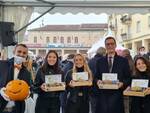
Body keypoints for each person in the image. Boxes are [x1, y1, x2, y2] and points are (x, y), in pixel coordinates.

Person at [95, 36, 131, 113]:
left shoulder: (123, 61)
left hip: (117, 96)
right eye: (108, 44)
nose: (110, 46)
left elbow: (128, 77)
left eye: (112, 44)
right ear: (105, 46)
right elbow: (96, 77)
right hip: (103, 97)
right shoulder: (99, 61)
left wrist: (123, 83)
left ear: (115, 45)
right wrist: (97, 81)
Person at [0, 44, 32, 113]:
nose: (21, 54)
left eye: (24, 53)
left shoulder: (27, 73)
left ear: (26, 55)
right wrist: (0, 90)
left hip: (18, 108)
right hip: (1, 105)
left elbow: (29, 88)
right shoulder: (2, 65)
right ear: (14, 52)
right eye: (19, 51)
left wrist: (28, 93)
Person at [88, 46, 106, 113]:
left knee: (94, 108)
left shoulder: (90, 61)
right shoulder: (104, 61)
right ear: (104, 53)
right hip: (102, 88)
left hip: (92, 88)